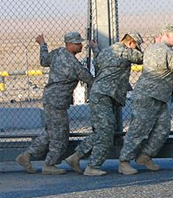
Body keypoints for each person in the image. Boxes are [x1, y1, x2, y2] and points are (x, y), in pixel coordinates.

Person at [118, 24, 173, 175]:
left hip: (159, 97)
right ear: (166, 35)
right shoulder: (165, 51)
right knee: (138, 130)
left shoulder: (155, 48)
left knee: (163, 129)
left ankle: (145, 156)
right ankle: (124, 161)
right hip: (148, 96)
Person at [64, 32, 144, 176]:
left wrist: (95, 48)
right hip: (104, 95)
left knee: (101, 131)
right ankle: (92, 167)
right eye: (137, 46)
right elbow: (142, 59)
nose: (137, 49)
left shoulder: (109, 50)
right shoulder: (125, 51)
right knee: (106, 132)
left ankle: (75, 157)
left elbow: (98, 61)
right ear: (131, 43)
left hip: (101, 95)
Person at [15, 32, 95, 175]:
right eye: (77, 43)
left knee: (51, 132)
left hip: (51, 99)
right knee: (60, 135)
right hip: (57, 102)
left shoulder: (57, 53)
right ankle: (49, 164)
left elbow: (44, 60)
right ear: (69, 45)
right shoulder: (73, 64)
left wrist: (42, 45)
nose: (81, 45)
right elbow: (89, 79)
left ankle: (26, 156)